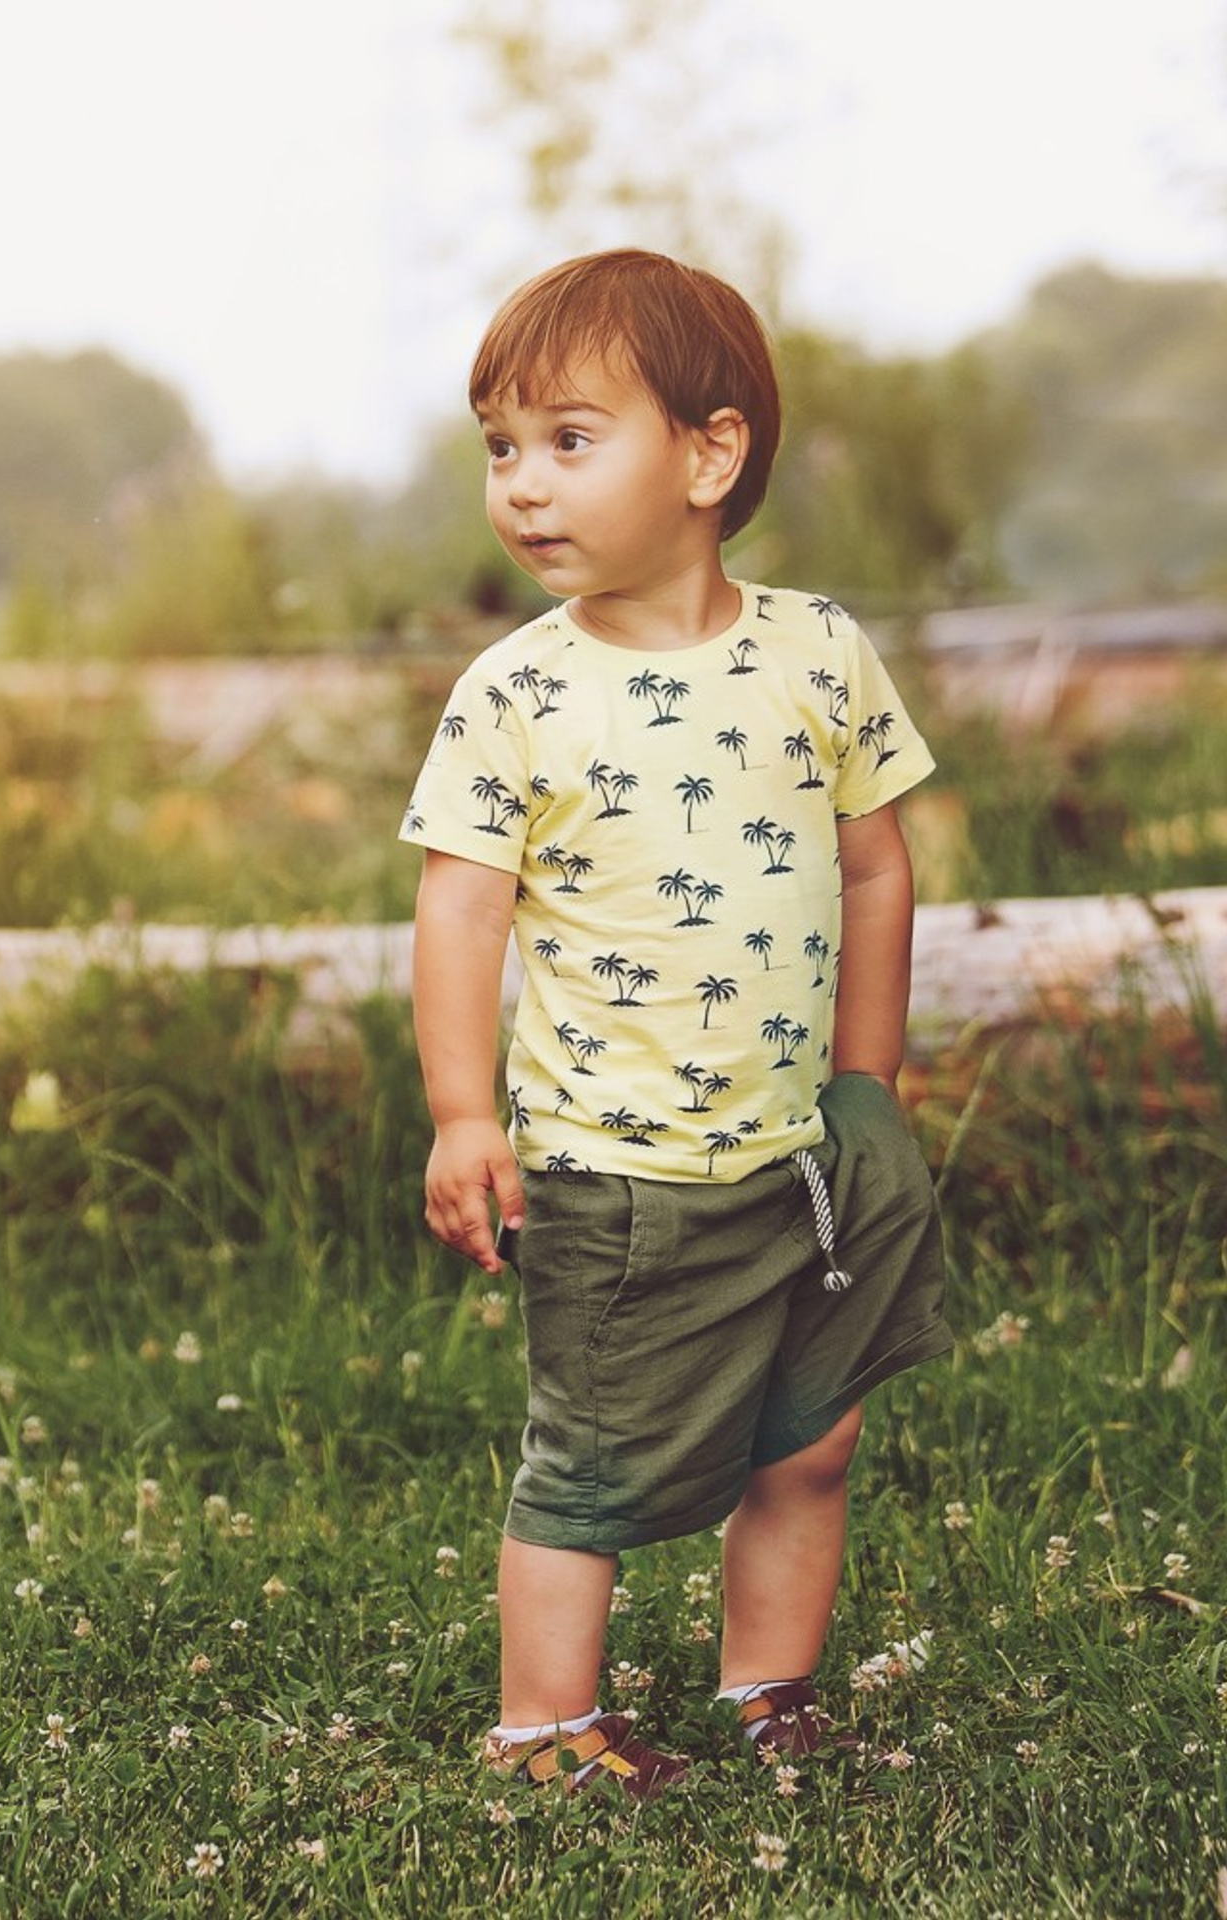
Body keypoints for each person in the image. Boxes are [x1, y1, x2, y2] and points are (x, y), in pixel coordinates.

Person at [399, 249, 953, 1798]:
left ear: (709, 456)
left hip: (813, 1157)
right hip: (617, 1174)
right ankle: (541, 1727)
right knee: (589, 1471)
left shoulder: (819, 650)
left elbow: (874, 864)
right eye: (501, 446)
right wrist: (463, 1113)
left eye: (570, 439)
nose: (522, 484)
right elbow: (460, 910)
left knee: (813, 1440)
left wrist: (870, 1087)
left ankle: (769, 1687)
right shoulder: (515, 694)